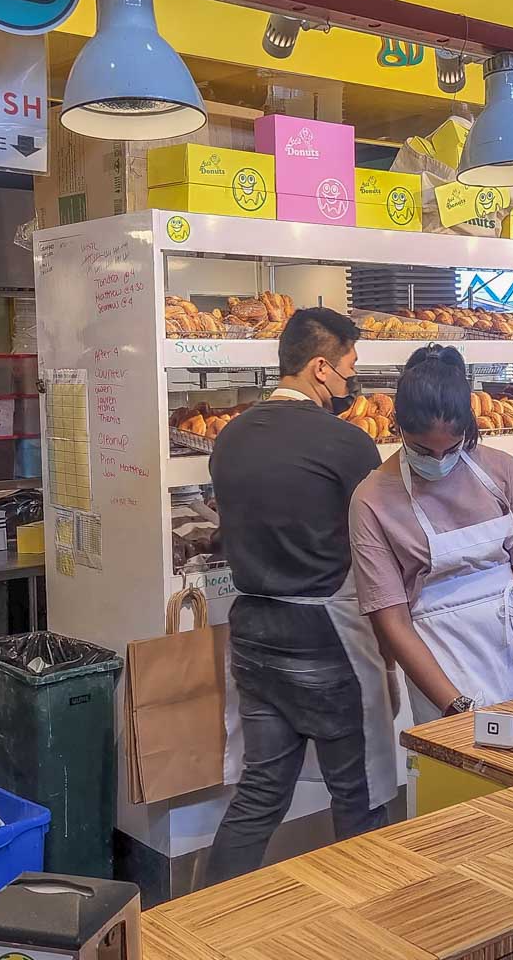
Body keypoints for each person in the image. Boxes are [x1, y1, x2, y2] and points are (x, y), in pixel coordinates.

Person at [205, 308, 397, 886]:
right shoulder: (346, 443)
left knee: (262, 789)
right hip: (328, 637)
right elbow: (373, 544)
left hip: (255, 633)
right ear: (320, 368)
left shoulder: (230, 437)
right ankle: (374, 929)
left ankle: (196, 927)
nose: (351, 382)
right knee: (359, 797)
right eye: (349, 368)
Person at [350, 346, 513, 723]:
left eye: (452, 448)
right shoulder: (371, 500)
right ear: (397, 426)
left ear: (469, 428)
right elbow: (393, 621)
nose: (439, 461)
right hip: (441, 669)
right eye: (423, 449)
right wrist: (456, 707)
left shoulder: (502, 472)